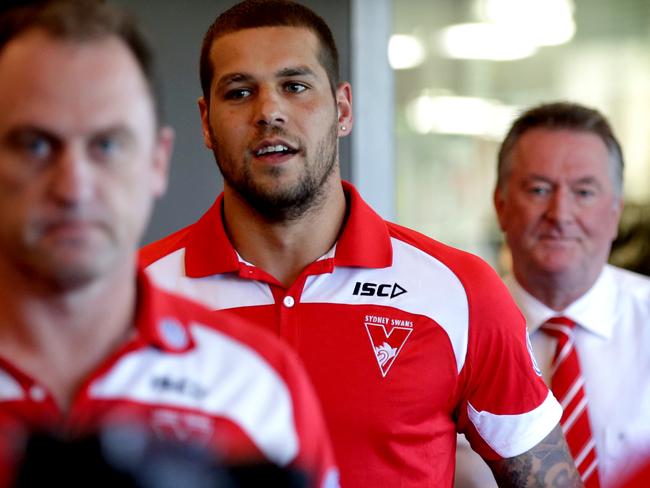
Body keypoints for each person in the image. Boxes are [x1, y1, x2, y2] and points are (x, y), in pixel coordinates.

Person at [141, 1, 580, 486]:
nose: (269, 112)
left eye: (295, 86)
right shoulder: (128, 298)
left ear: (343, 108)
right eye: (240, 92)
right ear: (205, 122)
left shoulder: (460, 292)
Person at [0, 1, 338, 487]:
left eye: (107, 145)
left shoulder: (255, 385)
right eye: (35, 144)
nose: (73, 186)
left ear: (157, 162)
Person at [456, 102, 650, 488]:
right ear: (501, 206)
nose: (560, 214)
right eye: (539, 189)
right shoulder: (453, 332)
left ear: (615, 212)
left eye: (584, 191)